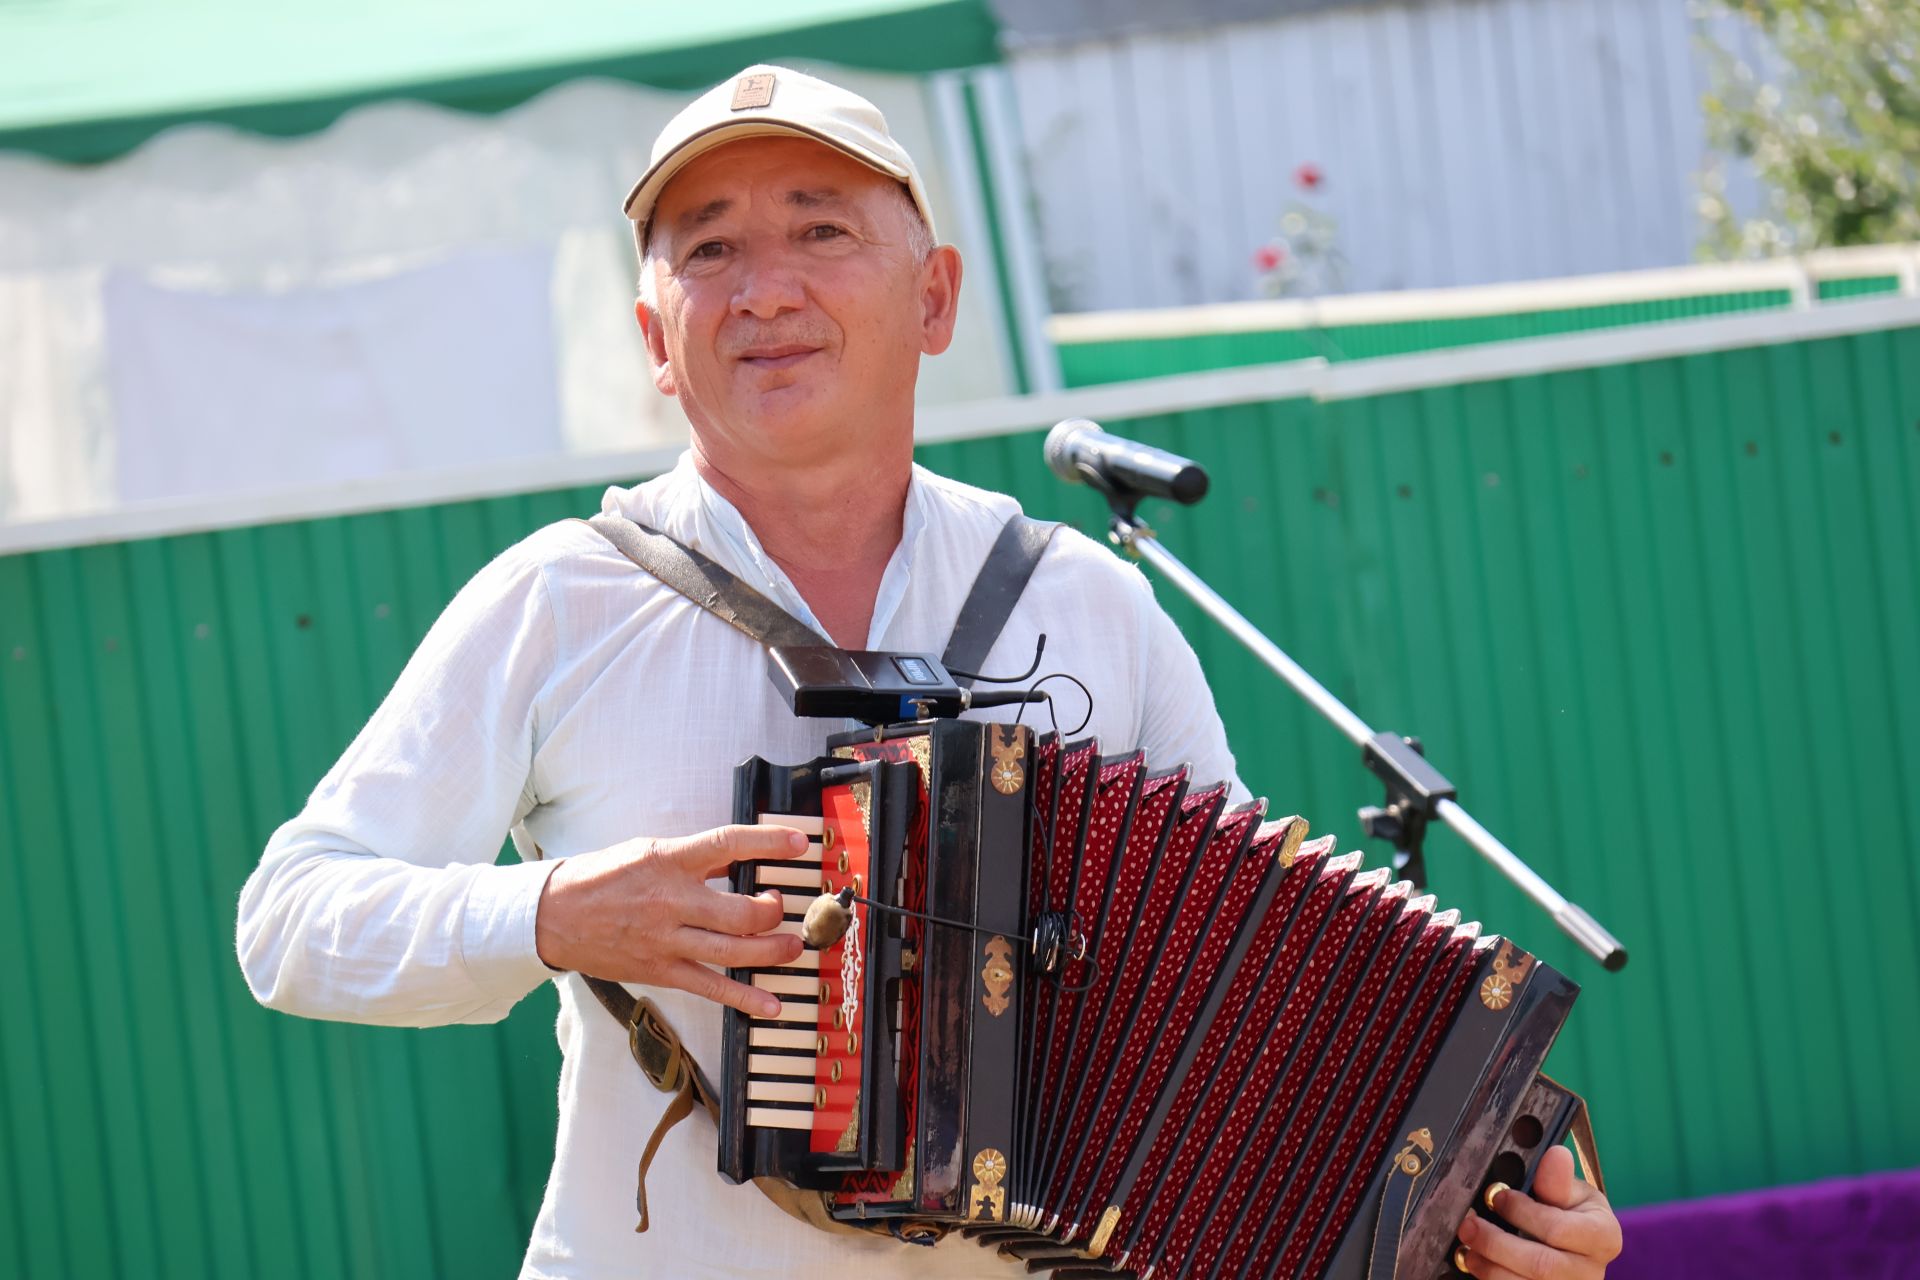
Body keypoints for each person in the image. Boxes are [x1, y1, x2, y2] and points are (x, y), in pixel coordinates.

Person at [236, 65, 1622, 1280]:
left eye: (821, 232)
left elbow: (1245, 1019)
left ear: (937, 295)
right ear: (657, 339)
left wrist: (1490, 1227)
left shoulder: (1090, 602)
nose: (763, 288)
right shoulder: (560, 597)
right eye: (707, 250)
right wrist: (549, 914)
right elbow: (290, 920)